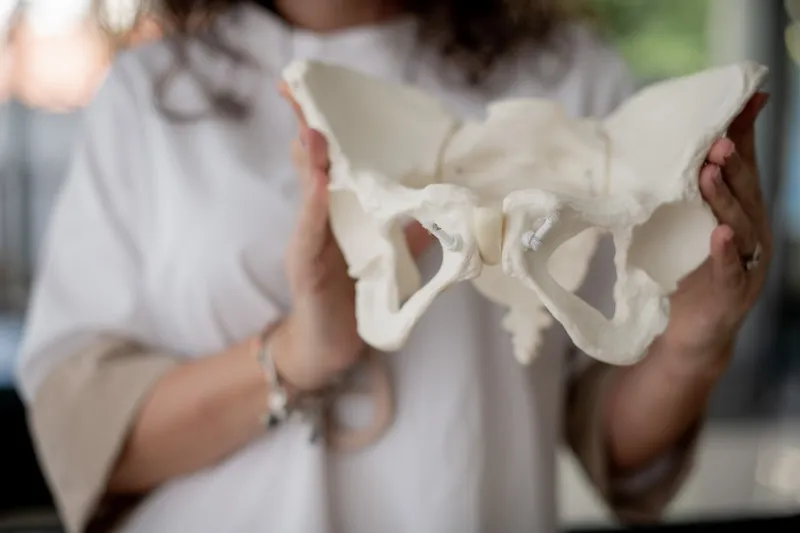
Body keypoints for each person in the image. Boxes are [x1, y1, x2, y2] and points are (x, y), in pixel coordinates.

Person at [14, 1, 772, 532]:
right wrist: (303, 351)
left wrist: (694, 338)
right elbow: (86, 437)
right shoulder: (149, 98)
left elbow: (605, 434)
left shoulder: (572, 77)